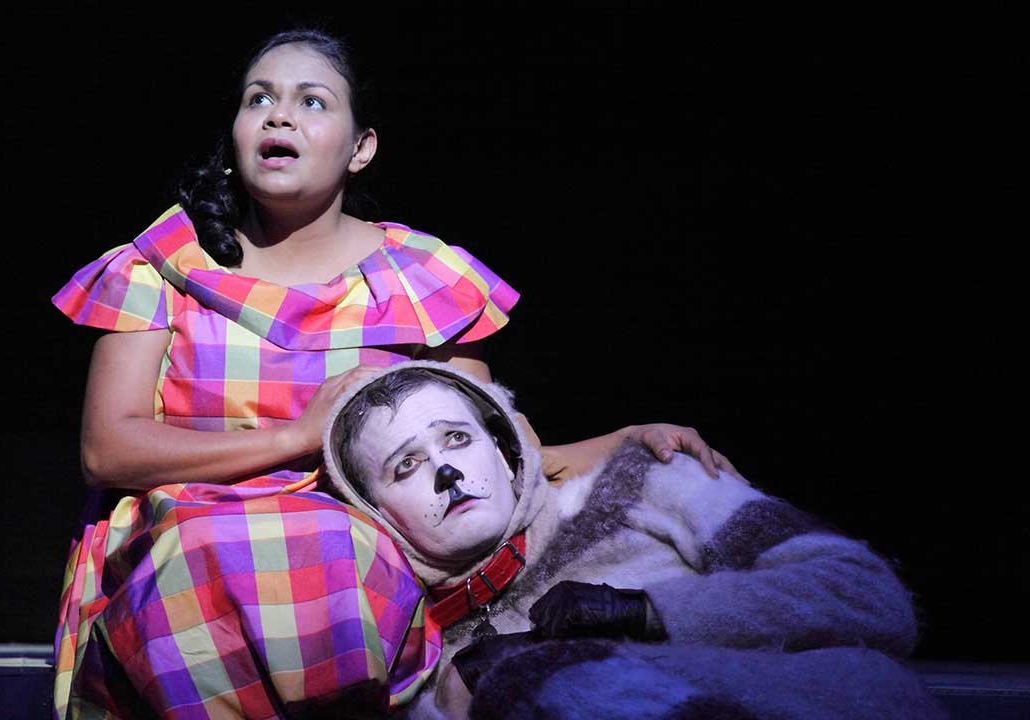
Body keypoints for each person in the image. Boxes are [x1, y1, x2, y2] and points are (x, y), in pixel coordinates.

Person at [52, 29, 733, 719]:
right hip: (188, 569)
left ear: (361, 148)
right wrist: (301, 435)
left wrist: (628, 438)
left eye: (311, 101)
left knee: (340, 551)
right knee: (205, 556)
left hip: (363, 583)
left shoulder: (420, 281)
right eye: (260, 99)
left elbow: (497, 461)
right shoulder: (162, 267)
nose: (280, 116)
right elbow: (108, 450)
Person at [323, 361, 947, 719]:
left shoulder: (643, 483)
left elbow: (867, 595)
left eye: (457, 439)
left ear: (508, 453)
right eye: (406, 465)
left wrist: (643, 613)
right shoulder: (411, 658)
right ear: (380, 516)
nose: (448, 473)